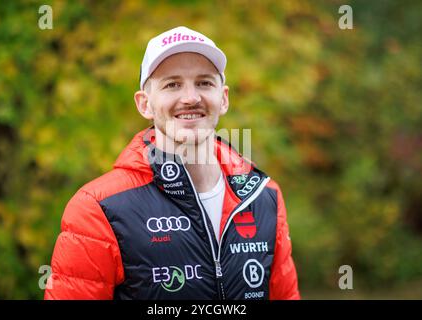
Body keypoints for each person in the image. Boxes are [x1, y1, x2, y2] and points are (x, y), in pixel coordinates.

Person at [44, 26, 300, 300]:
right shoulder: (97, 208)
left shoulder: (264, 197)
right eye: (172, 84)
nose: (190, 98)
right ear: (145, 104)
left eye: (204, 82)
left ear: (223, 98)